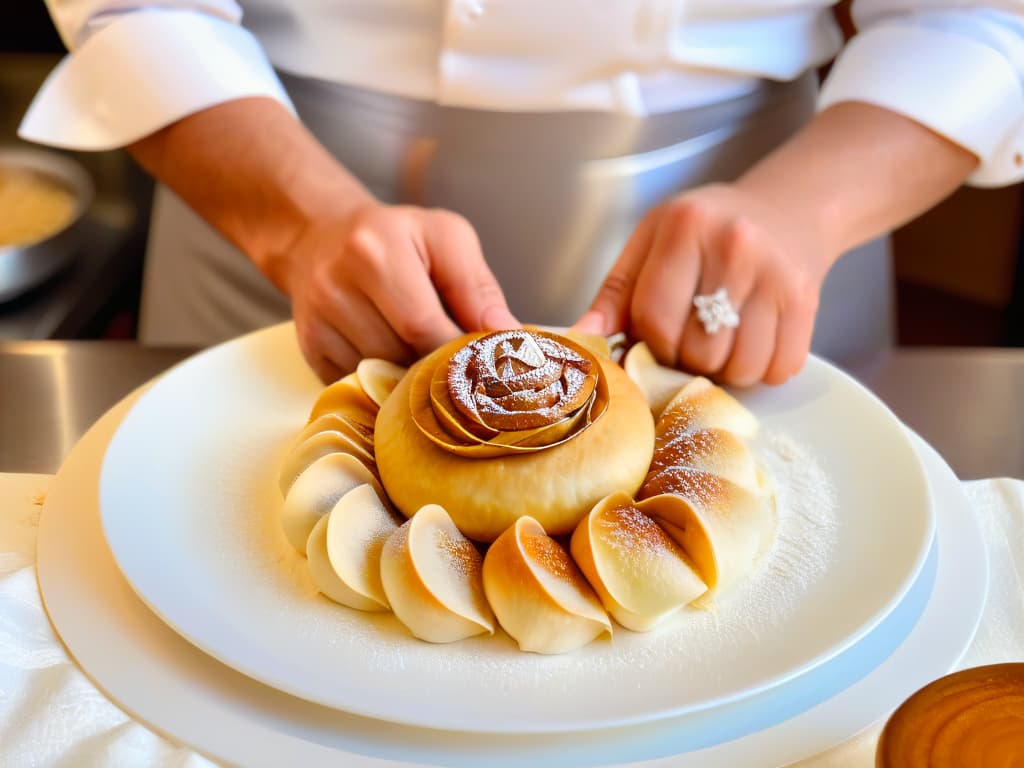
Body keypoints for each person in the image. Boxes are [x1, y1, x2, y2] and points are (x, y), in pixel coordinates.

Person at [21, 1, 1024, 385]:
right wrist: (299, 224)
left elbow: (977, 18)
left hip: (763, 258)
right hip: (272, 217)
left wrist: (809, 212)